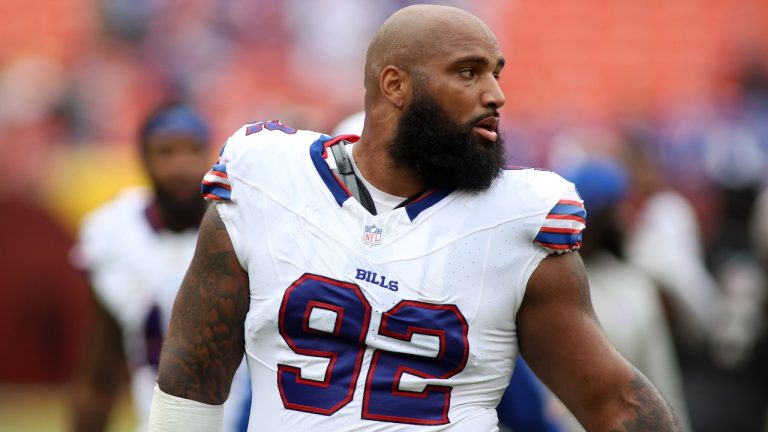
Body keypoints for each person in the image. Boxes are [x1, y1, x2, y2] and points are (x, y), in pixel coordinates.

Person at [150, 5, 681, 431]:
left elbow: (614, 404)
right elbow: (191, 384)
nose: (496, 95)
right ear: (395, 85)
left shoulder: (519, 218)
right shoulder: (267, 177)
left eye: (495, 74)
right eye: (468, 72)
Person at [71, 103, 250, 432]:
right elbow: (100, 373)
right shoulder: (115, 233)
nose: (181, 165)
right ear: (142, 157)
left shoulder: (243, 223)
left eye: (193, 150)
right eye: (166, 151)